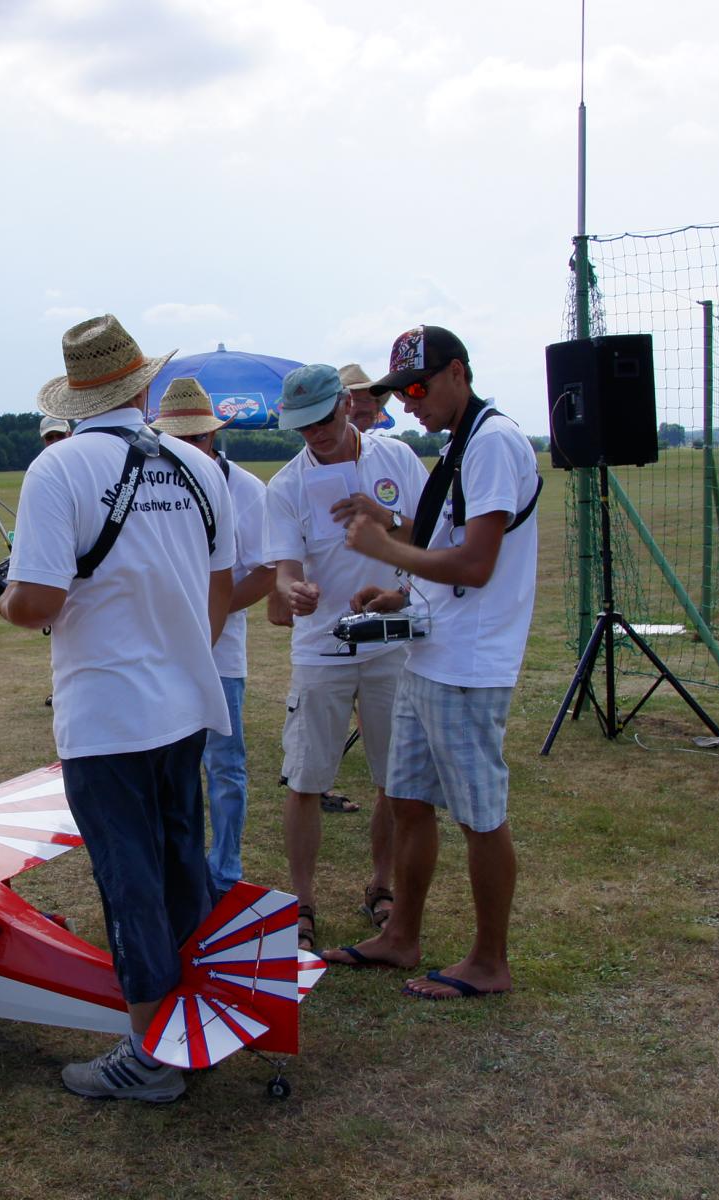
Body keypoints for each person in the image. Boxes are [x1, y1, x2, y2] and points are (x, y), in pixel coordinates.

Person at [0, 314, 234, 1101]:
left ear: (76, 396)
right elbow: (219, 590)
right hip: (185, 705)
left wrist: (4, 600)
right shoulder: (199, 466)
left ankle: (151, 1058)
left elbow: (37, 602)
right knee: (182, 867)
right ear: (142, 387)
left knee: (130, 883)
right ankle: (200, 1023)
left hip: (106, 717)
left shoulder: (58, 469)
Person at [329, 325, 541, 1002]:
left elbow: (476, 564)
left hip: (469, 664)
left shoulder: (494, 442)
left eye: (417, 389)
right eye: (399, 392)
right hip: (431, 651)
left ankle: (489, 962)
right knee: (409, 800)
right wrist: (402, 588)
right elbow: (442, 543)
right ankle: (402, 937)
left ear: (458, 373)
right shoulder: (458, 444)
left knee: (480, 815)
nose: (407, 403)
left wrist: (387, 549)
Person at [263, 364, 427, 959]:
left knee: (395, 778)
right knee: (306, 778)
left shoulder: (397, 458)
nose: (315, 433)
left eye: (322, 420)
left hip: (392, 641)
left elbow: (432, 536)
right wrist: (294, 591)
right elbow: (284, 571)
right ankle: (302, 903)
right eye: (302, 426)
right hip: (321, 650)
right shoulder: (286, 485)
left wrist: (387, 520)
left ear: (346, 405)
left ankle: (382, 887)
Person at [149, 377, 275, 903]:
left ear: (214, 435)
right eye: (176, 439)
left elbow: (266, 571)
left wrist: (206, 622)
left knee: (224, 767)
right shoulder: (151, 483)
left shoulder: (246, 490)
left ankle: (224, 872)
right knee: (167, 770)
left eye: (197, 437)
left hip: (221, 657)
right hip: (161, 656)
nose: (188, 448)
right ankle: (179, 874)